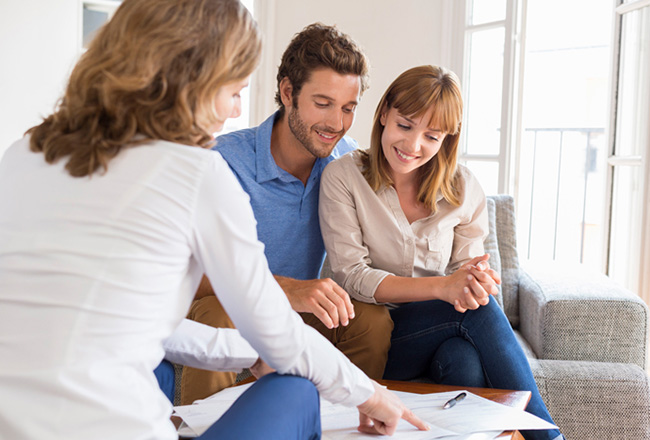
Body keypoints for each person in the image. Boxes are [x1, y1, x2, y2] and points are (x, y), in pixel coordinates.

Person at [0, 1, 430, 438]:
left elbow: (138, 322)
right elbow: (275, 331)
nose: (233, 111)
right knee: (297, 390)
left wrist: (245, 352)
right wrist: (372, 396)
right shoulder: (199, 172)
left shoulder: (25, 153)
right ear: (191, 82)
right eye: (233, 91)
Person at [319, 65, 565, 440]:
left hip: (439, 333)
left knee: (463, 362)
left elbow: (466, 268)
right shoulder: (343, 177)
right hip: (373, 337)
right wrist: (444, 288)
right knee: (474, 316)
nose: (413, 146)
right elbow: (352, 274)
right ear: (384, 113)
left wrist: (476, 282)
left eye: (431, 136)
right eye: (404, 126)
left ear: (448, 138)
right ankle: (549, 437)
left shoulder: (463, 188)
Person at [181, 22, 394, 405]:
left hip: (300, 315)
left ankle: (346, 422)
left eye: (348, 108)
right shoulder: (223, 161)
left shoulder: (345, 162)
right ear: (287, 92)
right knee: (216, 313)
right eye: (323, 103)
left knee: (371, 322)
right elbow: (188, 277)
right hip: (233, 310)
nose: (336, 123)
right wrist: (287, 288)